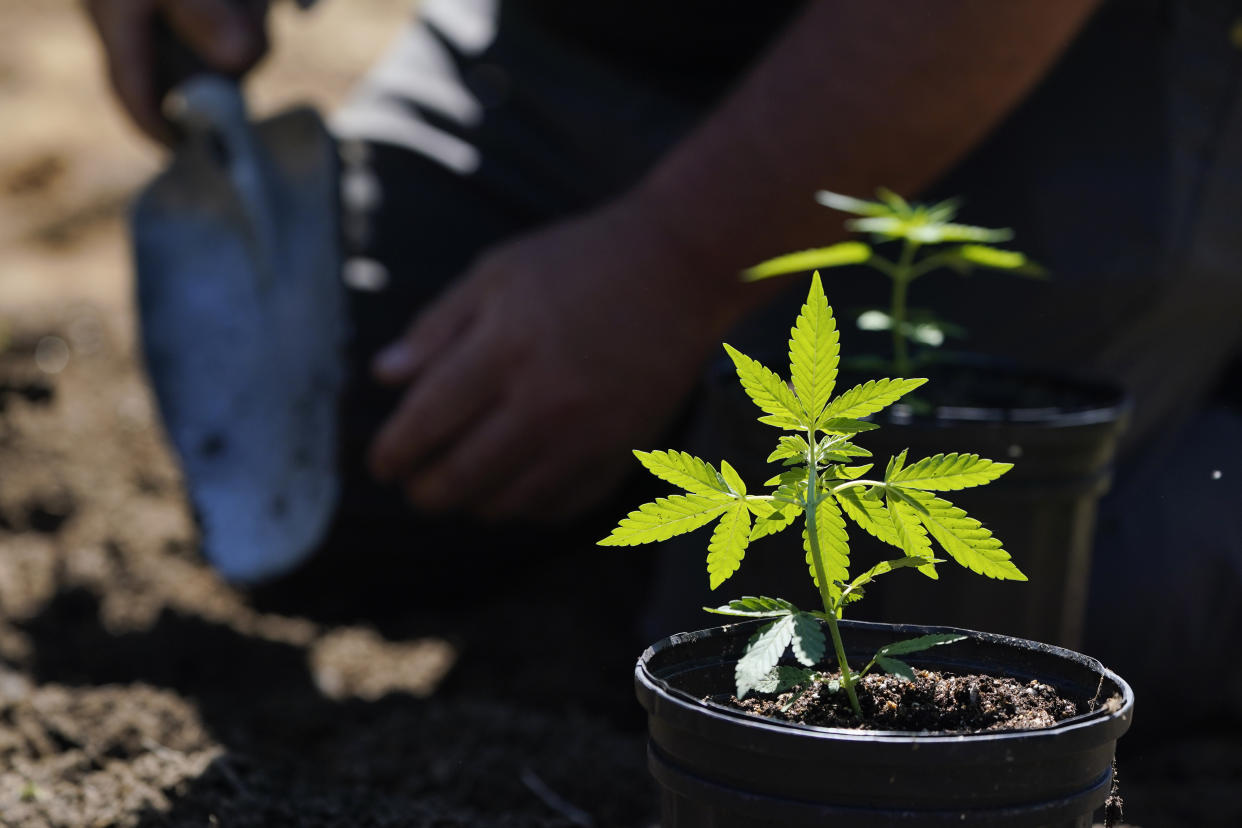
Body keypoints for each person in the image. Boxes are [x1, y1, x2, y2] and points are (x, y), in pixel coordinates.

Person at [86, 0, 1242, 738]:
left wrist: (669, 269)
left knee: (873, 668)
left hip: (1044, 52)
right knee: (370, 457)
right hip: (602, 41)